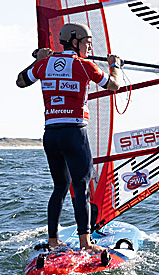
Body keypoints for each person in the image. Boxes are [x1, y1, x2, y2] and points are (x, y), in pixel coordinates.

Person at [17, 22, 123, 252]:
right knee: (81, 186)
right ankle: (86, 243)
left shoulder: (44, 65)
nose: (88, 47)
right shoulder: (84, 65)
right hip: (74, 133)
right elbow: (114, 85)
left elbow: (20, 81)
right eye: (86, 43)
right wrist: (115, 66)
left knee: (60, 186)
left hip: (51, 135)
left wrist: (38, 59)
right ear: (74, 41)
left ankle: (53, 240)